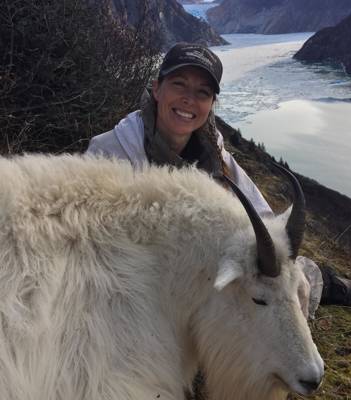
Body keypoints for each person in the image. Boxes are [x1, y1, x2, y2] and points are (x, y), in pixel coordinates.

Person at [86, 42, 327, 317]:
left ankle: (327, 282)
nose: (189, 99)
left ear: (212, 104)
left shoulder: (216, 158)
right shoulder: (110, 152)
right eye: (179, 84)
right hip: (137, 296)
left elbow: (262, 218)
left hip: (206, 282)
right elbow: (93, 247)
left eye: (203, 92)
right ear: (156, 88)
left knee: (296, 278)